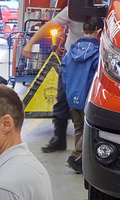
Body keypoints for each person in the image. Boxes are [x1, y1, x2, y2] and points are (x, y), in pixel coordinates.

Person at [22, 6, 84, 153]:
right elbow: (49, 26)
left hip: (95, 59)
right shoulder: (72, 9)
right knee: (61, 98)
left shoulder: (105, 9)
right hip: (72, 60)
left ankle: (86, 145)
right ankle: (59, 139)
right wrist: (30, 44)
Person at [61, 17, 103, 174]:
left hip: (72, 96)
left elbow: (64, 73)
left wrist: (69, 92)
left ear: (84, 30)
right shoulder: (98, 53)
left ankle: (80, 164)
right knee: (87, 132)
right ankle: (75, 158)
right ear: (99, 31)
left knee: (79, 129)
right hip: (88, 98)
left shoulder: (71, 50)